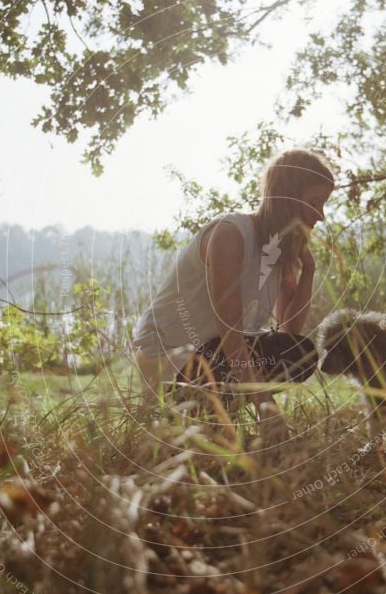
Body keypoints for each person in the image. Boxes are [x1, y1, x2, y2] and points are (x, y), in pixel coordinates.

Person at [132, 148, 335, 414]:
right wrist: (265, 406)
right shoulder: (230, 234)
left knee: (300, 354)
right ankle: (182, 409)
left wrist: (307, 269)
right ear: (288, 196)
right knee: (224, 356)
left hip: (215, 353)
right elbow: (229, 330)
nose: (321, 215)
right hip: (169, 355)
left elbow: (289, 331)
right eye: (314, 201)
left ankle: (217, 412)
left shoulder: (278, 251)